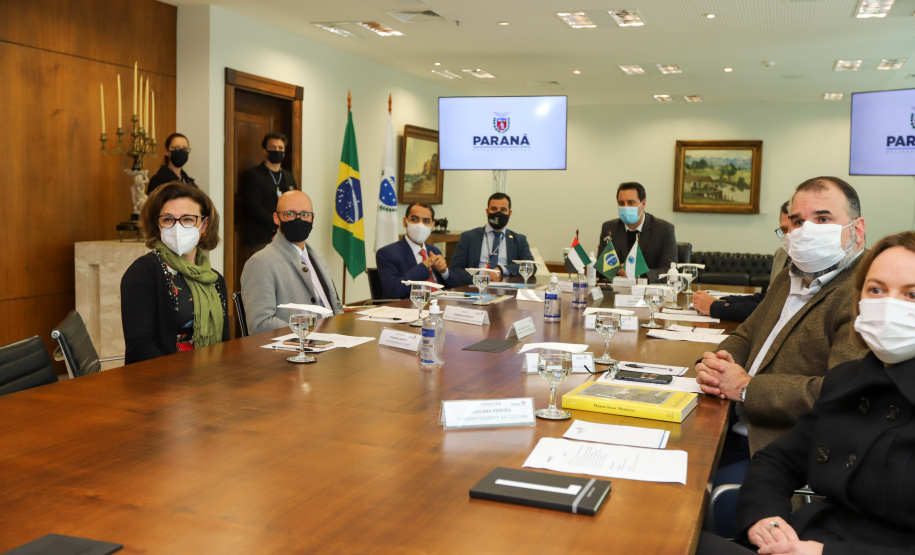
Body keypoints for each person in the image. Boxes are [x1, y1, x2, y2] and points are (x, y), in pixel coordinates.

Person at [729, 231, 915, 554]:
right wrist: (766, 518)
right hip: (799, 539)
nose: (888, 306)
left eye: (912, 295)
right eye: (876, 290)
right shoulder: (847, 379)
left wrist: (821, 553)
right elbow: (777, 460)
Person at [697, 176, 870, 489]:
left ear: (856, 231)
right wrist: (717, 363)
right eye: (798, 221)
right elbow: (747, 336)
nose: (807, 231)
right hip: (727, 426)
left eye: (823, 218)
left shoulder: (865, 293)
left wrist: (747, 388)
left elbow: (840, 395)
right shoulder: (790, 276)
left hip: (779, 453)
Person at [121, 181, 229, 364]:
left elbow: (225, 344)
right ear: (158, 225)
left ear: (204, 226)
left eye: (187, 219)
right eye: (168, 219)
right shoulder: (143, 272)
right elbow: (140, 347)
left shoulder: (214, 279)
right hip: (159, 381)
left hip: (209, 377)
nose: (177, 228)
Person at [241, 190, 343, 335]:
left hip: (336, 341)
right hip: (298, 349)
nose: (298, 219)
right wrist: (309, 333)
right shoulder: (260, 263)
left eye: (304, 214)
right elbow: (260, 324)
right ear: (276, 218)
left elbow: (335, 306)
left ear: (312, 218)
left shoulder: (318, 258)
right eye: (290, 214)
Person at [693, 201, 791, 322]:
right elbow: (768, 299)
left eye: (792, 229)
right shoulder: (781, 253)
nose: (788, 235)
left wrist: (715, 307)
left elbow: (775, 310)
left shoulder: (812, 264)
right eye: (783, 230)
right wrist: (724, 301)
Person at [375, 202, 462, 299]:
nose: (420, 225)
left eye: (426, 221)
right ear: (405, 222)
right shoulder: (388, 253)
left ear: (432, 226)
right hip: (410, 308)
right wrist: (424, 267)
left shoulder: (434, 250)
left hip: (439, 305)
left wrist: (444, 271)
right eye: (414, 219)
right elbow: (393, 291)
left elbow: (457, 286)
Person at [597, 182, 677, 283]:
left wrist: (639, 273)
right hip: (617, 290)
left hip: (650, 291)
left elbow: (668, 271)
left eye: (631, 203)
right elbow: (600, 271)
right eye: (621, 203)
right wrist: (618, 271)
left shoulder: (664, 229)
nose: (625, 207)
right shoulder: (609, 228)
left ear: (643, 204)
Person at [449, 192, 534, 285]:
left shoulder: (519, 240)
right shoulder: (468, 237)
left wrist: (502, 269)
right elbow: (455, 268)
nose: (498, 213)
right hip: (476, 288)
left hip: (508, 289)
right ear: (487, 212)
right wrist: (480, 276)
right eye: (494, 209)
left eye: (503, 209)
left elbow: (531, 266)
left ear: (509, 213)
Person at [238, 132, 298, 255]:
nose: (277, 150)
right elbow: (254, 207)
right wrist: (278, 225)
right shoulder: (253, 175)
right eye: (272, 147)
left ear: (285, 151)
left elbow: (295, 203)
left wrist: (286, 229)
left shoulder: (288, 176)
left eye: (280, 148)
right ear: (265, 150)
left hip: (286, 238)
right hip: (261, 238)